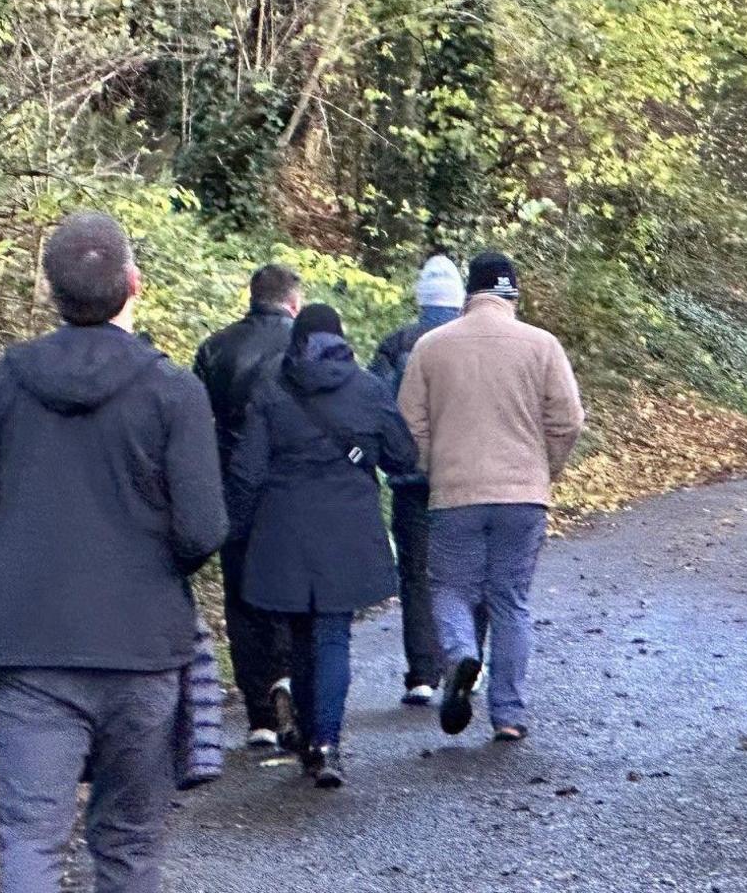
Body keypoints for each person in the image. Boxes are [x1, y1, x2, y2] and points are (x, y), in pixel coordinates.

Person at [0, 211, 229, 893]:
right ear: (135, 283)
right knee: (128, 844)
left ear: (49, 292)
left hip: (28, 641)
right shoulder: (173, 390)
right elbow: (203, 528)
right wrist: (155, 579)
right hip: (141, 643)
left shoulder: (2, 383)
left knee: (32, 840)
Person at [230, 304, 419, 788]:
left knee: (298, 636)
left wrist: (233, 530)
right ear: (341, 339)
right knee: (333, 636)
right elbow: (402, 457)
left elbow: (247, 472)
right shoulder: (368, 389)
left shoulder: (270, 391)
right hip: (346, 533)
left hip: (284, 531)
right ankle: (326, 743)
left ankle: (310, 734)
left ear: (297, 343)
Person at [399, 251, 584, 743]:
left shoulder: (430, 347)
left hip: (455, 494)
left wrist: (432, 467)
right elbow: (568, 421)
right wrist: (546, 469)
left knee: (451, 589)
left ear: (469, 294)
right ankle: (507, 714)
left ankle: (461, 655)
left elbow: (408, 426)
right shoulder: (542, 345)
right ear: (513, 295)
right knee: (511, 600)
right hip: (523, 494)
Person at [192, 264, 302, 750]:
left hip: (232, 485)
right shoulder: (307, 347)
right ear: (293, 302)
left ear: (252, 297)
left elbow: (197, 424)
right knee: (294, 591)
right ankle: (288, 680)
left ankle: (257, 711)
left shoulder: (215, 349)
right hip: (293, 487)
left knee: (240, 596)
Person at [368, 253, 466, 704]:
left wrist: (391, 460)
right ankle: (466, 657)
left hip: (411, 480)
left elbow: (379, 406)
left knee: (415, 575)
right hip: (466, 478)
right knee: (466, 572)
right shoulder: (474, 340)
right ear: (459, 297)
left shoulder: (396, 344)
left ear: (419, 296)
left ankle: (423, 674)